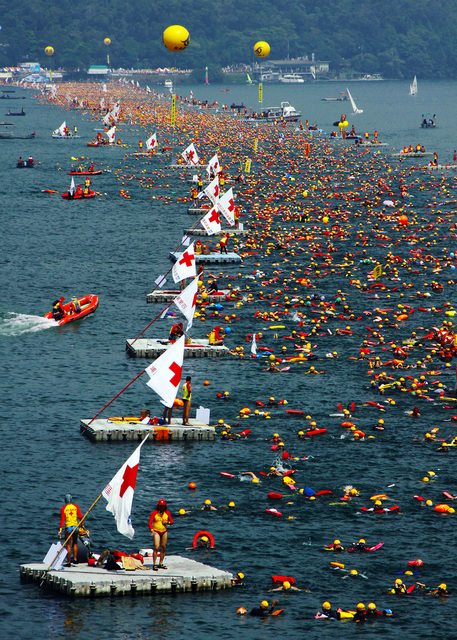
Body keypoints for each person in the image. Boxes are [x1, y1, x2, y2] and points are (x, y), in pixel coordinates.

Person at [58, 494, 83, 566]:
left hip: (68, 528)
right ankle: (75, 559)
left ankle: (68, 562)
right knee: (75, 543)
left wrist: (60, 530)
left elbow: (62, 520)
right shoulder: (76, 507)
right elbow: (81, 516)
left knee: (68, 545)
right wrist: (82, 525)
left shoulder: (63, 508)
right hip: (75, 527)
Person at [149, 499, 173, 570]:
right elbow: (150, 522)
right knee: (156, 546)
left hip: (164, 531)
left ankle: (161, 563)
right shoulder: (154, 513)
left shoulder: (167, 513)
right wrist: (152, 530)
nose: (162, 507)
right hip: (156, 531)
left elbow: (171, 521)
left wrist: (167, 522)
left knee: (163, 547)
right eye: (160, 506)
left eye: (163, 506)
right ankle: (154, 564)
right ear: (158, 506)